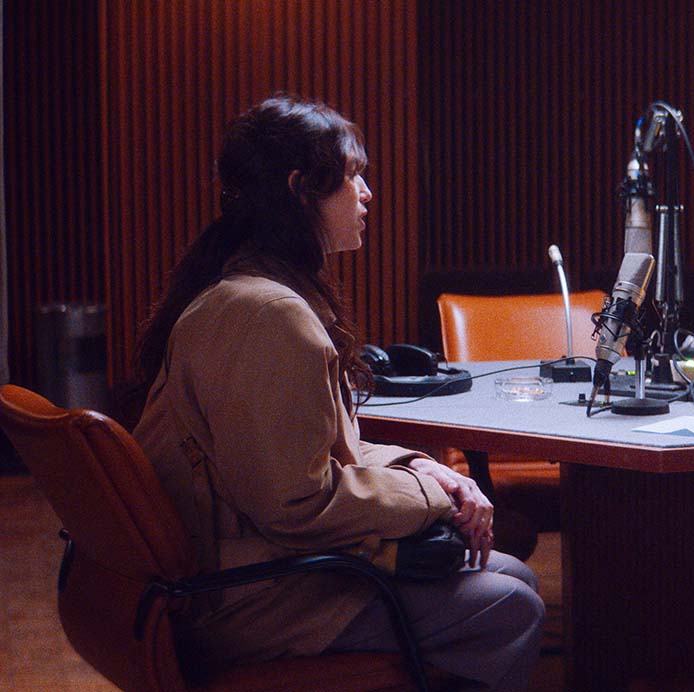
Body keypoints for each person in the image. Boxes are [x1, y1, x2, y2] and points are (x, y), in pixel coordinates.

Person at [131, 96, 543, 690]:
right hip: (248, 596)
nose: (367, 193)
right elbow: (299, 504)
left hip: (244, 565)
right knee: (512, 603)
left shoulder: (248, 289)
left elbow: (310, 454)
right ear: (300, 189)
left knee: (512, 578)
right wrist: (433, 496)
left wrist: (423, 467)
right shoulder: (269, 314)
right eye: (353, 175)